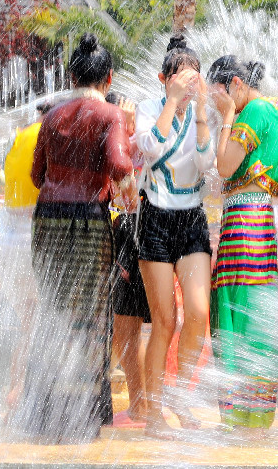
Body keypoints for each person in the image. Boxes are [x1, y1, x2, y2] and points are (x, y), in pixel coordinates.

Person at [15, 33, 134, 444]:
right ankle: (81, 414)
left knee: (53, 309)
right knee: (88, 317)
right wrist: (129, 179)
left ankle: (44, 411)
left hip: (48, 222)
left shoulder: (53, 117)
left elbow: (36, 176)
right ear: (109, 77)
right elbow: (119, 163)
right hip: (86, 225)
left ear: (71, 75)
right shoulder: (109, 115)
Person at [131, 36, 214, 436]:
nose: (186, 90)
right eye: (178, 82)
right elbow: (150, 147)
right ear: (163, 79)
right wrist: (171, 102)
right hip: (156, 219)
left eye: (191, 82)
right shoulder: (149, 108)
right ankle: (153, 413)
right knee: (165, 320)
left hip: (192, 219)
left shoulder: (202, 115)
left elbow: (204, 163)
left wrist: (198, 115)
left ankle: (182, 400)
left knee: (198, 313)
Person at [207, 55, 278, 431]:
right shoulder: (271, 113)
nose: (218, 103)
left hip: (245, 224)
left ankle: (242, 416)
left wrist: (227, 118)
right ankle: (252, 417)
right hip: (258, 222)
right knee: (253, 313)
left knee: (238, 312)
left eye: (220, 95)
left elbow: (224, 167)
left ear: (236, 84)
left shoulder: (253, 112)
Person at [0, 100, 53, 412]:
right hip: (30, 238)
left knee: (28, 322)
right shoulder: (49, 135)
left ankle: (15, 388)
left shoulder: (20, 136)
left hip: (6, 240)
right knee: (42, 321)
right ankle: (22, 392)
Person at [104, 92, 151, 430]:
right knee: (126, 331)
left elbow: (130, 198)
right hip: (124, 237)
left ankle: (141, 405)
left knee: (128, 328)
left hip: (131, 237)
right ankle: (142, 403)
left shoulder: (135, 145)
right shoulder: (120, 146)